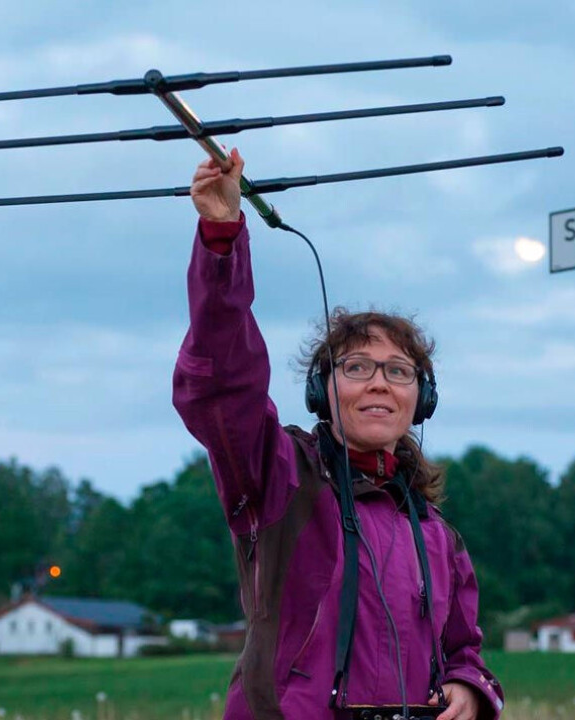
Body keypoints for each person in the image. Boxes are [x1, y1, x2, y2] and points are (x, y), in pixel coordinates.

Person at [173, 148, 504, 720]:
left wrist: (471, 689)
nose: (379, 383)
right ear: (323, 391)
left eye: (398, 371)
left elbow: (463, 649)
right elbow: (222, 384)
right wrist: (222, 239)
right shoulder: (276, 477)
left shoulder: (437, 536)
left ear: (420, 399)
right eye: (356, 368)